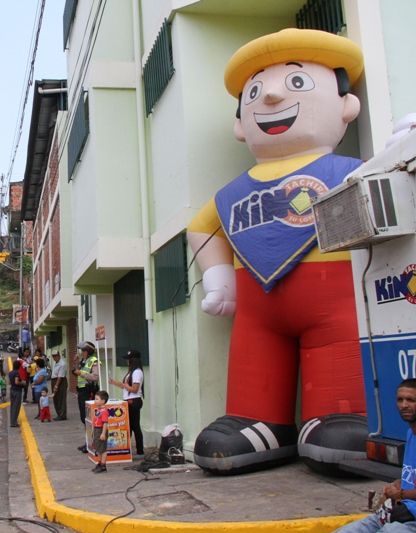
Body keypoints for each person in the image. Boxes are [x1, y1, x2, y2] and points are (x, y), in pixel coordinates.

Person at [187, 28, 368, 474]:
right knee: (253, 362)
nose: (268, 97)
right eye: (254, 92)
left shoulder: (348, 171)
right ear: (239, 123)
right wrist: (219, 278)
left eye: (296, 82)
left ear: (347, 105)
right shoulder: (233, 194)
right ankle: (259, 419)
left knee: (338, 377)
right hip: (256, 307)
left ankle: (338, 412)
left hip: (337, 297)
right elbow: (202, 227)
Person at [332, 379, 416, 532]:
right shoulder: (411, 434)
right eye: (400, 400)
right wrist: (400, 482)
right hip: (400, 512)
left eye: (411, 400)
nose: (404, 405)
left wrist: (401, 494)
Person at [108, 350, 145, 457]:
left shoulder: (137, 372)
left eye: (128, 359)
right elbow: (127, 387)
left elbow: (134, 389)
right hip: (129, 400)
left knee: (134, 426)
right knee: (130, 426)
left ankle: (139, 450)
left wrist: (123, 385)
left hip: (134, 400)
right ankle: (129, 449)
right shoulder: (131, 372)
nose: (126, 361)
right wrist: (116, 383)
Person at [73, 341, 99, 452]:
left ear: (89, 351)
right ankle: (88, 441)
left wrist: (81, 373)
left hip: (89, 392)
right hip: (82, 391)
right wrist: (76, 363)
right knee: (84, 418)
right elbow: (77, 372)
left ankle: (93, 443)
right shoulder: (84, 361)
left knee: (90, 418)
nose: (81, 353)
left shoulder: (94, 361)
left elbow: (95, 377)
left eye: (83, 351)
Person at [91, 390, 110, 474]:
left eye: (97, 399)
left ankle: (103, 465)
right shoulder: (98, 410)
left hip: (101, 430)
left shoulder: (104, 411)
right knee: (98, 448)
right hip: (96, 429)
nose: (95, 401)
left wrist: (103, 433)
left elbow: (105, 423)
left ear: (103, 401)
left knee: (103, 449)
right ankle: (99, 462)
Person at [50, 350, 68, 420]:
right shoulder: (55, 362)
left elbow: (60, 377)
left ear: (59, 356)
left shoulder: (62, 364)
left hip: (60, 381)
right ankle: (58, 413)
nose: (54, 357)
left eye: (56, 356)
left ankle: (62, 414)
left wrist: (56, 386)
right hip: (54, 380)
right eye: (53, 356)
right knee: (55, 398)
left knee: (61, 398)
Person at [9, 360, 25, 427]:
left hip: (12, 390)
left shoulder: (10, 373)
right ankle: (14, 422)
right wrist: (23, 383)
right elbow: (17, 382)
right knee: (16, 407)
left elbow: (10, 382)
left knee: (12, 407)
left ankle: (12, 421)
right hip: (17, 391)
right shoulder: (16, 373)